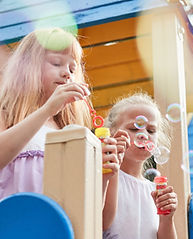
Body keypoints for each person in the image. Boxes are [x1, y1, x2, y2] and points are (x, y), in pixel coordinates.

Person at [0, 27, 121, 201]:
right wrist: (47, 110)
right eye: (56, 63)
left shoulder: (67, 131)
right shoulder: (6, 112)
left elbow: (90, 211)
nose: (66, 73)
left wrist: (103, 177)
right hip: (15, 224)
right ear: (26, 67)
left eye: (73, 69)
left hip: (58, 227)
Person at [102, 92, 178, 239]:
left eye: (151, 130)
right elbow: (102, 222)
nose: (143, 134)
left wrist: (167, 218)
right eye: (134, 129)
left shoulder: (154, 189)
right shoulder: (104, 178)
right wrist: (113, 163)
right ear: (112, 132)